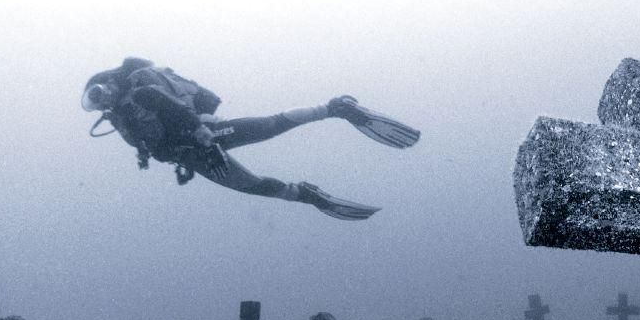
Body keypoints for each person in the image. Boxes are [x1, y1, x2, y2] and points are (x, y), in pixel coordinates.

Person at [81, 58, 419, 220]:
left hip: (205, 137)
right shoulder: (123, 117)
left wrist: (207, 141)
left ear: (111, 82)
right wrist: (177, 159)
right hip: (192, 154)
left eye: (101, 91)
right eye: (95, 100)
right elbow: (157, 144)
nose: (102, 100)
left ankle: (336, 108)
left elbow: (178, 114)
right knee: (251, 185)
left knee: (269, 127)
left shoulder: (143, 93)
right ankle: (307, 194)